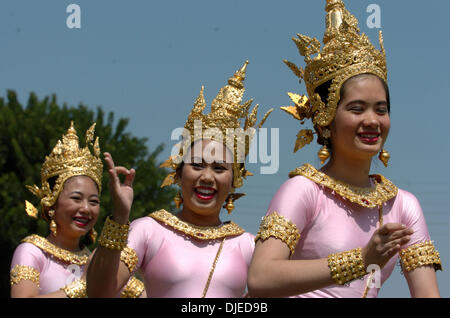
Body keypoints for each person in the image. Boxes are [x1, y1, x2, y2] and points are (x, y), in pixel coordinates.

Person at [247, 0, 441, 298]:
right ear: (325, 119)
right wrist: (361, 260)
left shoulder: (403, 206)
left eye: (381, 109)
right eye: (357, 109)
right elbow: (261, 277)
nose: (372, 121)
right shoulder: (304, 191)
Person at [87, 62, 272, 298]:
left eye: (219, 168)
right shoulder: (149, 231)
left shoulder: (247, 245)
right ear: (178, 173)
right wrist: (120, 218)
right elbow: (98, 293)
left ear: (234, 181)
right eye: (197, 165)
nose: (207, 177)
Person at [10, 121, 145, 298]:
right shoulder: (32, 251)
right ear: (52, 201)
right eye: (76, 198)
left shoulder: (95, 262)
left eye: (94, 201)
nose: (86, 209)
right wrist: (84, 286)